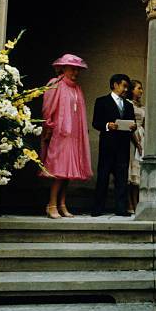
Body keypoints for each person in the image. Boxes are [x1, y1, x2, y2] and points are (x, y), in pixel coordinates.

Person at [39, 54, 92, 218]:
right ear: (63, 68)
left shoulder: (77, 88)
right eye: (72, 68)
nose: (75, 72)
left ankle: (62, 203)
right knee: (59, 170)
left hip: (74, 135)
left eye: (77, 69)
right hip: (60, 133)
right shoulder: (55, 84)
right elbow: (48, 109)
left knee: (69, 171)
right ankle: (51, 204)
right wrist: (48, 127)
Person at [91, 74, 136, 217]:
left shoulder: (129, 105)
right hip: (107, 145)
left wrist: (133, 126)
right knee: (103, 177)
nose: (126, 89)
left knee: (122, 178)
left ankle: (121, 208)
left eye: (127, 87)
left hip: (123, 146)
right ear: (115, 85)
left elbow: (132, 121)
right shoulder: (102, 101)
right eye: (124, 85)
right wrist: (107, 125)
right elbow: (95, 123)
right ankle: (98, 208)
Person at [127, 80, 145, 213]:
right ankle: (129, 203)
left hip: (141, 135)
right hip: (131, 137)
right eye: (139, 88)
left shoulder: (142, 106)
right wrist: (136, 141)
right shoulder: (128, 104)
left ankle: (137, 201)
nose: (141, 91)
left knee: (138, 172)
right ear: (132, 90)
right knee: (130, 171)